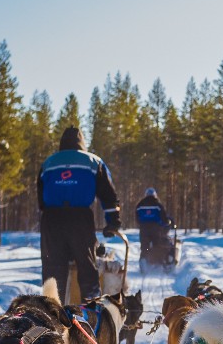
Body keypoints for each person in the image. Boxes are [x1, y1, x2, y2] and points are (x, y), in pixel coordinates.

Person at [37, 126, 120, 302]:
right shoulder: (93, 161)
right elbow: (108, 195)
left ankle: (50, 312)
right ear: (82, 143)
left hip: (51, 220)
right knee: (86, 267)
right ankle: (91, 309)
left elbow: (41, 200)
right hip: (79, 219)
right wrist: (113, 222)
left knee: (52, 272)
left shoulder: (49, 163)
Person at [134, 187, 175, 266]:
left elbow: (137, 218)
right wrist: (167, 222)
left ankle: (144, 261)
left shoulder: (140, 205)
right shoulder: (158, 205)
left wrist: (142, 223)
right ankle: (158, 262)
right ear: (155, 195)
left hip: (144, 229)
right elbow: (164, 217)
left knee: (144, 246)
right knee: (157, 245)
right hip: (156, 229)